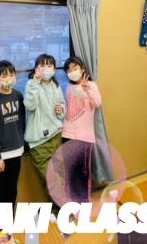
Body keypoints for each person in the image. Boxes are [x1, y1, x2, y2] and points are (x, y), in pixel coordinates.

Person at [61, 57, 102, 203]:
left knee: (83, 172)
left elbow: (97, 103)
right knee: (70, 170)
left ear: (82, 68)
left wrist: (87, 88)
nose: (72, 72)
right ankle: (72, 202)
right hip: (67, 134)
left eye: (75, 68)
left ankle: (84, 202)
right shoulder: (67, 86)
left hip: (84, 137)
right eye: (69, 70)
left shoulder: (91, 85)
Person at [24, 54, 65, 199]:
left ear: (54, 69)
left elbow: (62, 105)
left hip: (56, 135)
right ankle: (63, 208)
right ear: (36, 69)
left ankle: (59, 209)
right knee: (52, 180)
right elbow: (30, 105)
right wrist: (35, 83)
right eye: (42, 65)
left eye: (49, 65)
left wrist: (61, 110)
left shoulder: (55, 85)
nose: (46, 69)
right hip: (40, 142)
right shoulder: (31, 84)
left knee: (60, 177)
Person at [0, 60, 25, 206]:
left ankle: (8, 220)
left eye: (11, 75)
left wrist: (23, 145)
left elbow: (22, 122)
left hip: (16, 152)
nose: (8, 78)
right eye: (3, 76)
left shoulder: (18, 95)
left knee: (11, 191)